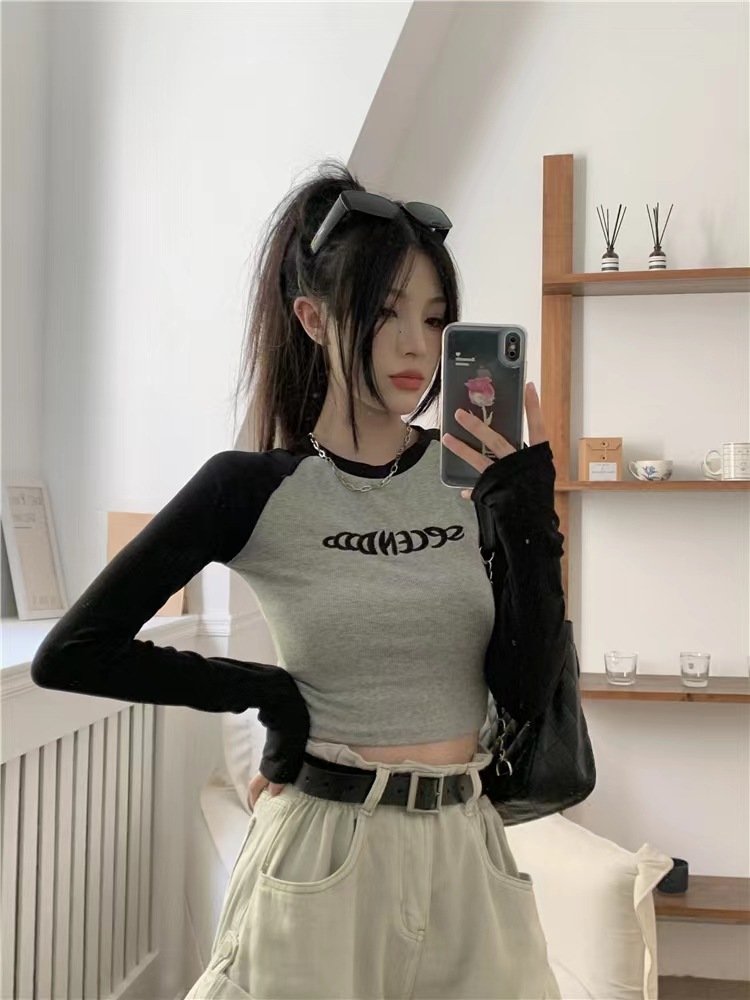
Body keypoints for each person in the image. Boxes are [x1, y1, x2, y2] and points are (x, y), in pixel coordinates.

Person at [31, 158, 567, 999]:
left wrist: (530, 519)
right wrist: (272, 695)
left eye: (435, 318)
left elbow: (526, 692)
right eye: (385, 313)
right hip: (324, 856)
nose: (417, 346)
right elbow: (73, 651)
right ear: (314, 319)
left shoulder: (472, 480)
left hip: (467, 848)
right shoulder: (252, 488)